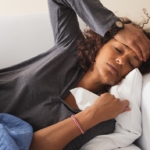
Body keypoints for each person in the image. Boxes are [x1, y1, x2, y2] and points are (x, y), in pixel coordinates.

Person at [0, 0, 150, 150]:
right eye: (118, 49)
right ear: (101, 43)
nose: (121, 60)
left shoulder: (105, 118)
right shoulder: (70, 46)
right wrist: (114, 26)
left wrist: (92, 115)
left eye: (131, 63)